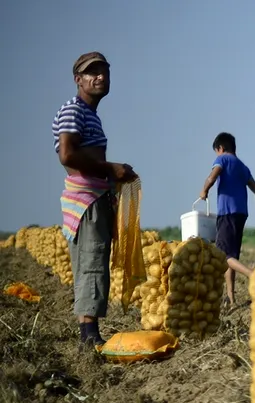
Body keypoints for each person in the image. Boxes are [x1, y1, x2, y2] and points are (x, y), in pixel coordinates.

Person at [52, 51, 137, 348]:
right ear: (78, 80)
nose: (100, 77)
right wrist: (109, 168)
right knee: (92, 262)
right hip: (86, 199)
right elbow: (67, 154)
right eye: (92, 72)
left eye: (104, 72)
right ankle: (89, 338)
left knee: (93, 260)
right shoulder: (73, 110)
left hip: (95, 196)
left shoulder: (90, 115)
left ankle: (88, 334)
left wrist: (115, 178)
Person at [199, 132, 255, 305]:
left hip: (227, 213)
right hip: (241, 214)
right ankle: (231, 299)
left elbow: (213, 175)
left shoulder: (222, 160)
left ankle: (253, 274)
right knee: (231, 257)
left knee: (222, 254)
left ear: (220, 149)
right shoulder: (243, 167)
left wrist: (204, 190)